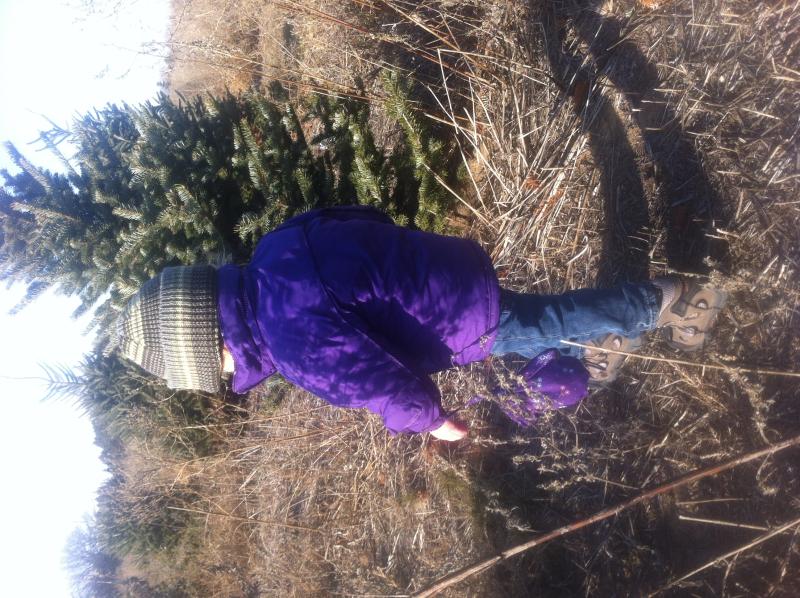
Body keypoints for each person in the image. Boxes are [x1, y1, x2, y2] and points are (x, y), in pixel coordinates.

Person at [115, 206, 726, 441]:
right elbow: (359, 215)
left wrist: (432, 422)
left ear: (215, 341)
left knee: (545, 322)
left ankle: (662, 303)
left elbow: (377, 386)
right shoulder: (276, 248)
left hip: (458, 320)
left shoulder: (290, 340)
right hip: (444, 269)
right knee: (536, 320)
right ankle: (610, 334)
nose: (227, 375)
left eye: (216, 368)